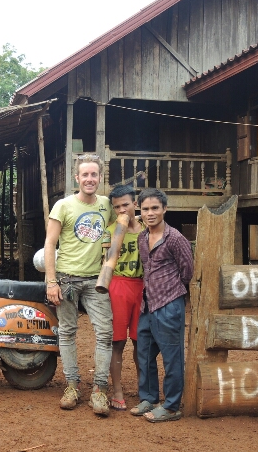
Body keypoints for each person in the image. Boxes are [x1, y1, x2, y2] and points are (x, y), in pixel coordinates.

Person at [44, 154, 116, 416]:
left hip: (97, 281)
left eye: (94, 174)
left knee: (105, 333)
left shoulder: (106, 205)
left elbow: (122, 223)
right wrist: (51, 281)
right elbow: (50, 244)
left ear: (100, 177)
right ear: (77, 178)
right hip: (66, 278)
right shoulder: (63, 206)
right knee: (67, 332)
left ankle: (100, 389)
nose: (89, 179)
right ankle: (72, 385)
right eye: (85, 174)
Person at [130, 188, 193, 423]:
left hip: (169, 304)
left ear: (165, 209)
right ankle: (149, 398)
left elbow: (187, 271)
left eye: (155, 208)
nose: (150, 213)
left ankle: (172, 406)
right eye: (146, 209)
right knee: (144, 354)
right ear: (140, 210)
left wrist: (170, 289)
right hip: (148, 304)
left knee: (171, 357)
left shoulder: (175, 238)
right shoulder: (142, 238)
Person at [105, 184, 144, 411]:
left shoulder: (147, 230)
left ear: (135, 204)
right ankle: (117, 390)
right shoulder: (109, 231)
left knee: (141, 341)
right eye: (117, 207)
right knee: (117, 341)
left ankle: (143, 388)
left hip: (143, 287)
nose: (122, 210)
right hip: (118, 285)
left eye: (126, 205)